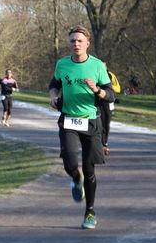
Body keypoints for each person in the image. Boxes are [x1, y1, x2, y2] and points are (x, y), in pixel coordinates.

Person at [48, 25, 115, 230]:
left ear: (87, 43)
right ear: (68, 43)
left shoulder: (96, 66)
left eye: (79, 41)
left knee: (89, 168)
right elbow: (54, 84)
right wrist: (53, 96)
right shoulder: (62, 64)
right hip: (68, 119)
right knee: (69, 161)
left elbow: (110, 95)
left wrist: (97, 90)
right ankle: (76, 180)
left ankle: (90, 212)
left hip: (91, 121)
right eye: (72, 41)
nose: (75, 44)